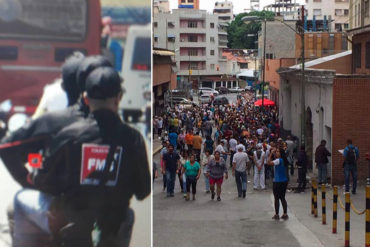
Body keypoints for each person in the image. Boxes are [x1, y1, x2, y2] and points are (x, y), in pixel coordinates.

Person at [21, 67, 150, 246]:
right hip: (114, 227)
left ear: (86, 99)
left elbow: (45, 182)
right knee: (128, 215)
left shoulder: (68, 136)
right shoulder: (133, 138)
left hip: (72, 228)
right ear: (119, 98)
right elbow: (143, 191)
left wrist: (35, 170)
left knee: (19, 205)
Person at [267, 148, 289, 220]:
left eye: (278, 151)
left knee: (276, 198)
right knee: (282, 197)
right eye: (276, 151)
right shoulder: (284, 160)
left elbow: (268, 163)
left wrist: (270, 154)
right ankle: (285, 213)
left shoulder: (278, 160)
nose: (276, 153)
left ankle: (277, 214)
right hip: (284, 181)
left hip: (278, 181)